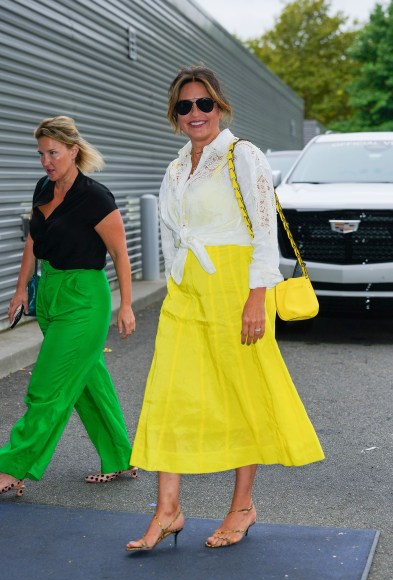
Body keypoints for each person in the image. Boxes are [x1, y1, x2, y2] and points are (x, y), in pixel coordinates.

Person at [125, 66, 324, 552]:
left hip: (236, 286)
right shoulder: (175, 167)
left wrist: (257, 295)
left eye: (204, 104)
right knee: (169, 394)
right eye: (184, 106)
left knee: (242, 393)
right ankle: (167, 510)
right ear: (175, 115)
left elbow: (263, 230)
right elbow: (172, 234)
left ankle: (242, 506)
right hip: (187, 290)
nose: (195, 113)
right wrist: (176, 279)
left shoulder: (242, 155)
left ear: (220, 106)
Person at [0, 115, 137, 498]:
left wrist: (126, 305)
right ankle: (120, 456)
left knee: (47, 387)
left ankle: (11, 466)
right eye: (41, 153)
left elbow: (121, 256)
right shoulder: (43, 188)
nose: (46, 161)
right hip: (50, 292)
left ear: (73, 151)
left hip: (84, 299)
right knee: (88, 383)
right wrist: (20, 289)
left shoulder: (95, 197)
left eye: (53, 153)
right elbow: (33, 242)